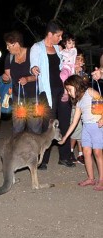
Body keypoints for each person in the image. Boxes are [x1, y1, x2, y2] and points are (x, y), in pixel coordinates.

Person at [30, 20, 75, 170]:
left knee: (64, 122)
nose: (60, 38)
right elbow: (33, 65)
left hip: (61, 90)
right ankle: (43, 159)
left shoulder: (57, 48)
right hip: (46, 92)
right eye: (58, 35)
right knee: (48, 126)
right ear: (50, 34)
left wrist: (67, 89)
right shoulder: (37, 47)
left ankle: (65, 157)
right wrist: (34, 68)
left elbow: (65, 67)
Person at [58, 75, 103, 191]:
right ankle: (91, 178)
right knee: (86, 153)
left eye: (69, 89)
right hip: (86, 128)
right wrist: (65, 137)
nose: (68, 92)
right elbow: (74, 123)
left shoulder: (90, 92)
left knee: (97, 153)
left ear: (76, 85)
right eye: (67, 90)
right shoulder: (78, 103)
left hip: (97, 126)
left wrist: (102, 118)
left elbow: (101, 102)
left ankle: (101, 180)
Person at [1, 30, 42, 135]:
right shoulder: (9, 58)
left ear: (17, 43)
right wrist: (6, 79)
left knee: (35, 128)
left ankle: (34, 150)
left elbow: (41, 75)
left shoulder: (31, 53)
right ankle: (18, 150)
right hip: (18, 98)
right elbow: (9, 77)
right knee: (18, 128)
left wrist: (27, 79)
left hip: (34, 97)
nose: (7, 48)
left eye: (9, 45)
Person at [69, 50, 88, 164]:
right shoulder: (69, 72)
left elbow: (85, 86)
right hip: (73, 106)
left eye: (81, 59)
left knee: (82, 131)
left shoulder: (84, 75)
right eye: (77, 59)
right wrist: (74, 72)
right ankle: (70, 152)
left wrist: (80, 74)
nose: (79, 61)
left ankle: (80, 154)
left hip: (83, 105)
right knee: (75, 128)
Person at [59, 33, 77, 102]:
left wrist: (60, 51)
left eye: (73, 43)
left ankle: (73, 95)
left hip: (71, 68)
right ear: (65, 44)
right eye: (69, 43)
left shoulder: (74, 50)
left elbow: (69, 55)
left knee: (72, 83)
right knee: (63, 76)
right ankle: (66, 92)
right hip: (65, 67)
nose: (72, 45)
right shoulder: (63, 51)